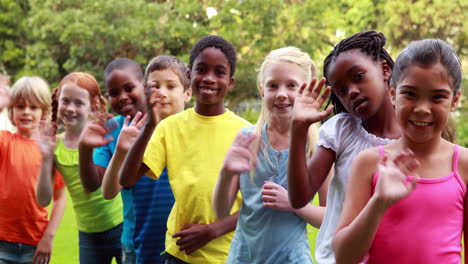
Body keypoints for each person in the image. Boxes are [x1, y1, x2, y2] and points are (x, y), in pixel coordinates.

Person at [119, 35, 251, 264]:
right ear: (190, 77)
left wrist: (212, 230)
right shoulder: (169, 127)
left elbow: (258, 205)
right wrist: (151, 123)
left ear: (230, 82)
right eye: (202, 69)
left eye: (219, 72)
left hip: (232, 255)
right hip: (180, 254)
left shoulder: (247, 133)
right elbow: (127, 178)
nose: (209, 78)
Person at [333, 39, 466, 264]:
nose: (422, 109)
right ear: (393, 93)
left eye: (437, 97)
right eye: (411, 94)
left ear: (455, 101)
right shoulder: (369, 163)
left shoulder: (463, 163)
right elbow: (344, 257)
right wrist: (379, 202)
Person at [287, 30, 401, 264]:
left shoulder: (416, 135)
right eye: (341, 90)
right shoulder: (342, 130)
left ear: (385, 69)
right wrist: (298, 128)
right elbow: (300, 197)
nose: (352, 91)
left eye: (358, 76)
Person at [213, 46, 328, 263]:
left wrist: (295, 204)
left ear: (305, 90)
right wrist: (226, 173)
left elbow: (329, 217)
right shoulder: (248, 138)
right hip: (244, 257)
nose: (282, 93)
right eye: (272, 85)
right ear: (262, 90)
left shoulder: (317, 146)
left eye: (292, 85)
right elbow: (220, 212)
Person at [102, 55, 191, 263]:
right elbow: (108, 191)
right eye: (155, 86)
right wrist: (122, 150)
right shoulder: (136, 133)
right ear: (145, 90)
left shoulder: (195, 132)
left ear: (187, 93)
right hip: (139, 245)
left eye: (170, 86)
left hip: (184, 245)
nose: (161, 92)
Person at [35, 72, 124, 264]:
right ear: (58, 101)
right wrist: (46, 157)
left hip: (120, 226)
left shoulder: (102, 136)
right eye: (66, 101)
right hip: (89, 235)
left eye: (79, 103)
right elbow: (43, 200)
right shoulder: (55, 146)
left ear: (92, 106)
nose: (70, 108)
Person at [78, 58, 147, 264]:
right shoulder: (111, 128)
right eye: (115, 93)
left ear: (144, 86)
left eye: (129, 88)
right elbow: (93, 184)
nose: (123, 97)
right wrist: (84, 149)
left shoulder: (166, 122)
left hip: (173, 238)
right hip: (134, 242)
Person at [0, 76, 66, 264]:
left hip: (35, 246)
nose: (26, 112)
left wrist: (48, 237)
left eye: (33, 107)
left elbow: (60, 198)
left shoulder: (49, 150)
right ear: (11, 111)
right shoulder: (4, 141)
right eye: (20, 106)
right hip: (2, 243)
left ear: (44, 112)